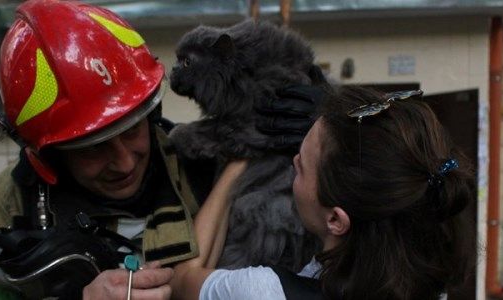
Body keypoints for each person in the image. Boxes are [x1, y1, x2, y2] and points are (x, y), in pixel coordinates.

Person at [0, 1, 317, 299]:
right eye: (93, 148)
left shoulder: (203, 159)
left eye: (133, 130)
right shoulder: (12, 202)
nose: (123, 161)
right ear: (50, 155)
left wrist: (329, 123)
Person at [170, 85, 476, 300]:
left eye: (301, 166)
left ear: (336, 220)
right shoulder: (431, 288)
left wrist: (240, 160)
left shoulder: (264, 292)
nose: (292, 161)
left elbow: (183, 279)